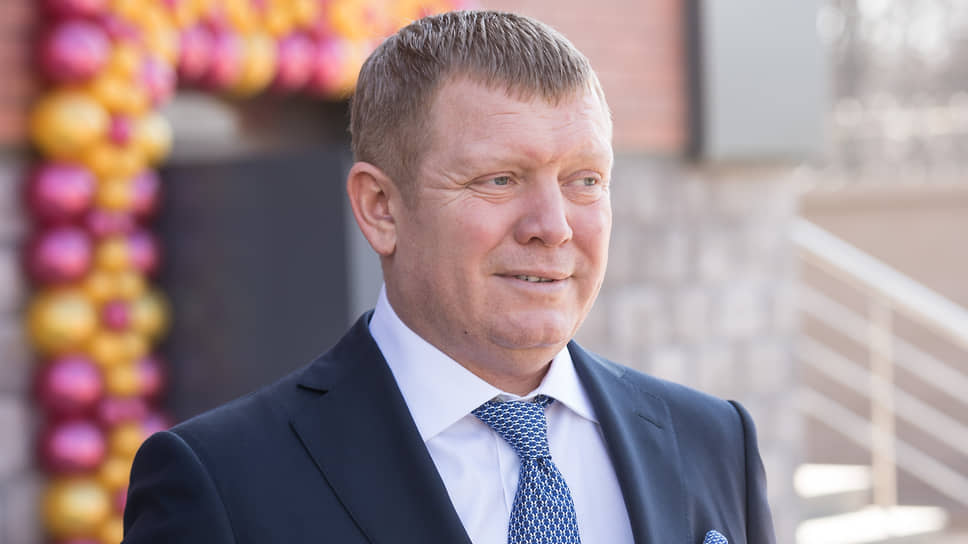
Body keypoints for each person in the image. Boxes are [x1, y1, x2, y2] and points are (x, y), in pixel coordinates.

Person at [123, 10, 775, 544]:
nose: (553, 226)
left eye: (585, 181)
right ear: (381, 208)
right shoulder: (223, 485)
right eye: (501, 179)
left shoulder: (714, 442)